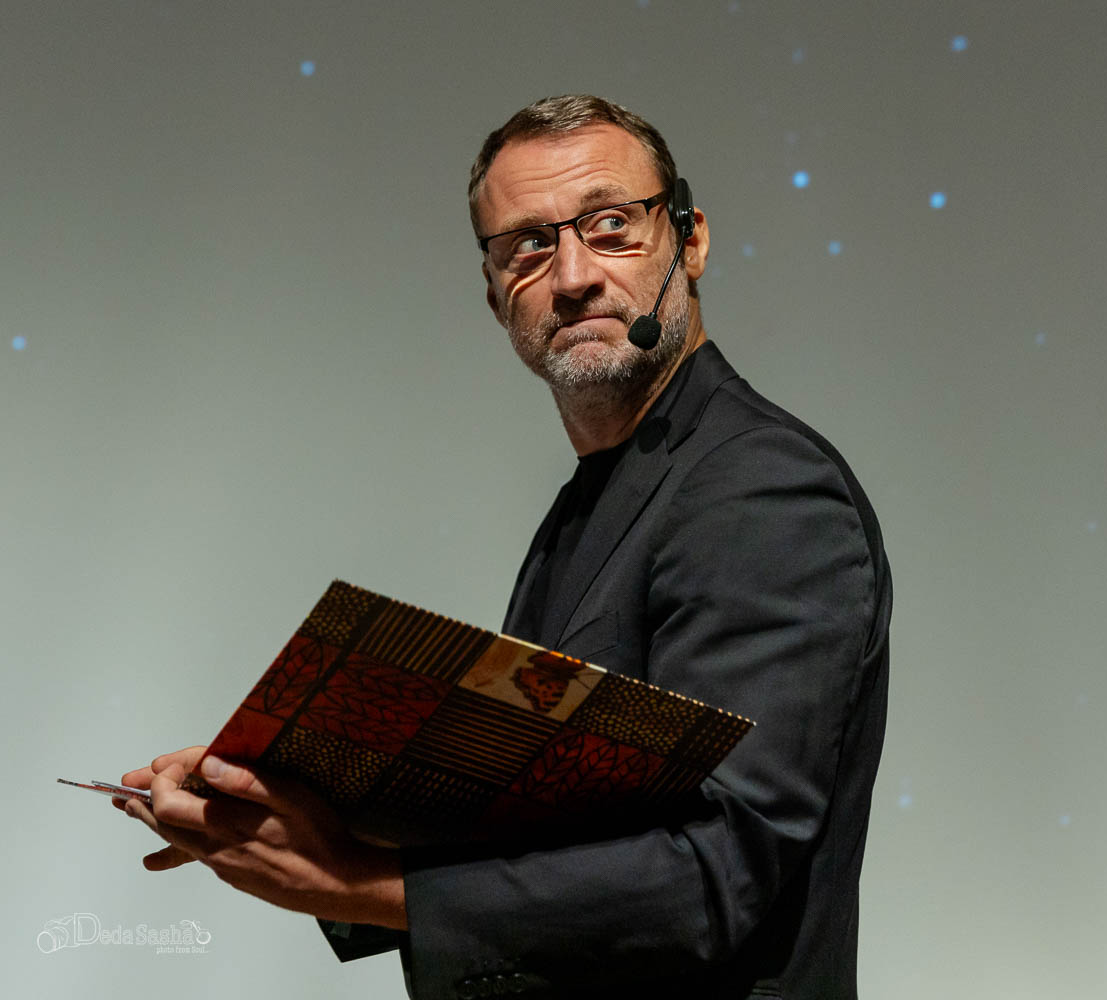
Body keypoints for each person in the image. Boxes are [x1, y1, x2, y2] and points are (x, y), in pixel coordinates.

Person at [120, 95, 892, 999]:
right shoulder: (598, 499)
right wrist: (280, 806)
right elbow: (549, 821)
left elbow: (718, 869)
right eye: (527, 245)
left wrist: (358, 884)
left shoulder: (759, 491)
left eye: (611, 226)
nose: (573, 276)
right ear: (493, 295)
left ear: (690, 242)